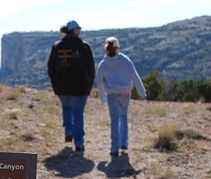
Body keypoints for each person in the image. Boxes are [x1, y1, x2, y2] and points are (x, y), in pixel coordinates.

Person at [47, 20, 95, 153]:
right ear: (74, 30)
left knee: (67, 109)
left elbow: (51, 67)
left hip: (62, 87)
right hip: (80, 87)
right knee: (78, 114)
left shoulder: (57, 46)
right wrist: (89, 84)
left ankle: (68, 132)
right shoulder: (84, 46)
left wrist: (55, 82)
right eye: (78, 29)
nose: (80, 31)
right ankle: (79, 143)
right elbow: (91, 68)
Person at [95, 36, 148, 157]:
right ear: (118, 47)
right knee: (123, 116)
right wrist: (142, 92)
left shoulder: (103, 64)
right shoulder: (125, 60)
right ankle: (124, 143)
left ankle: (114, 148)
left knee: (114, 120)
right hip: (125, 93)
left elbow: (99, 81)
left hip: (111, 94)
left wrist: (102, 97)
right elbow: (134, 75)